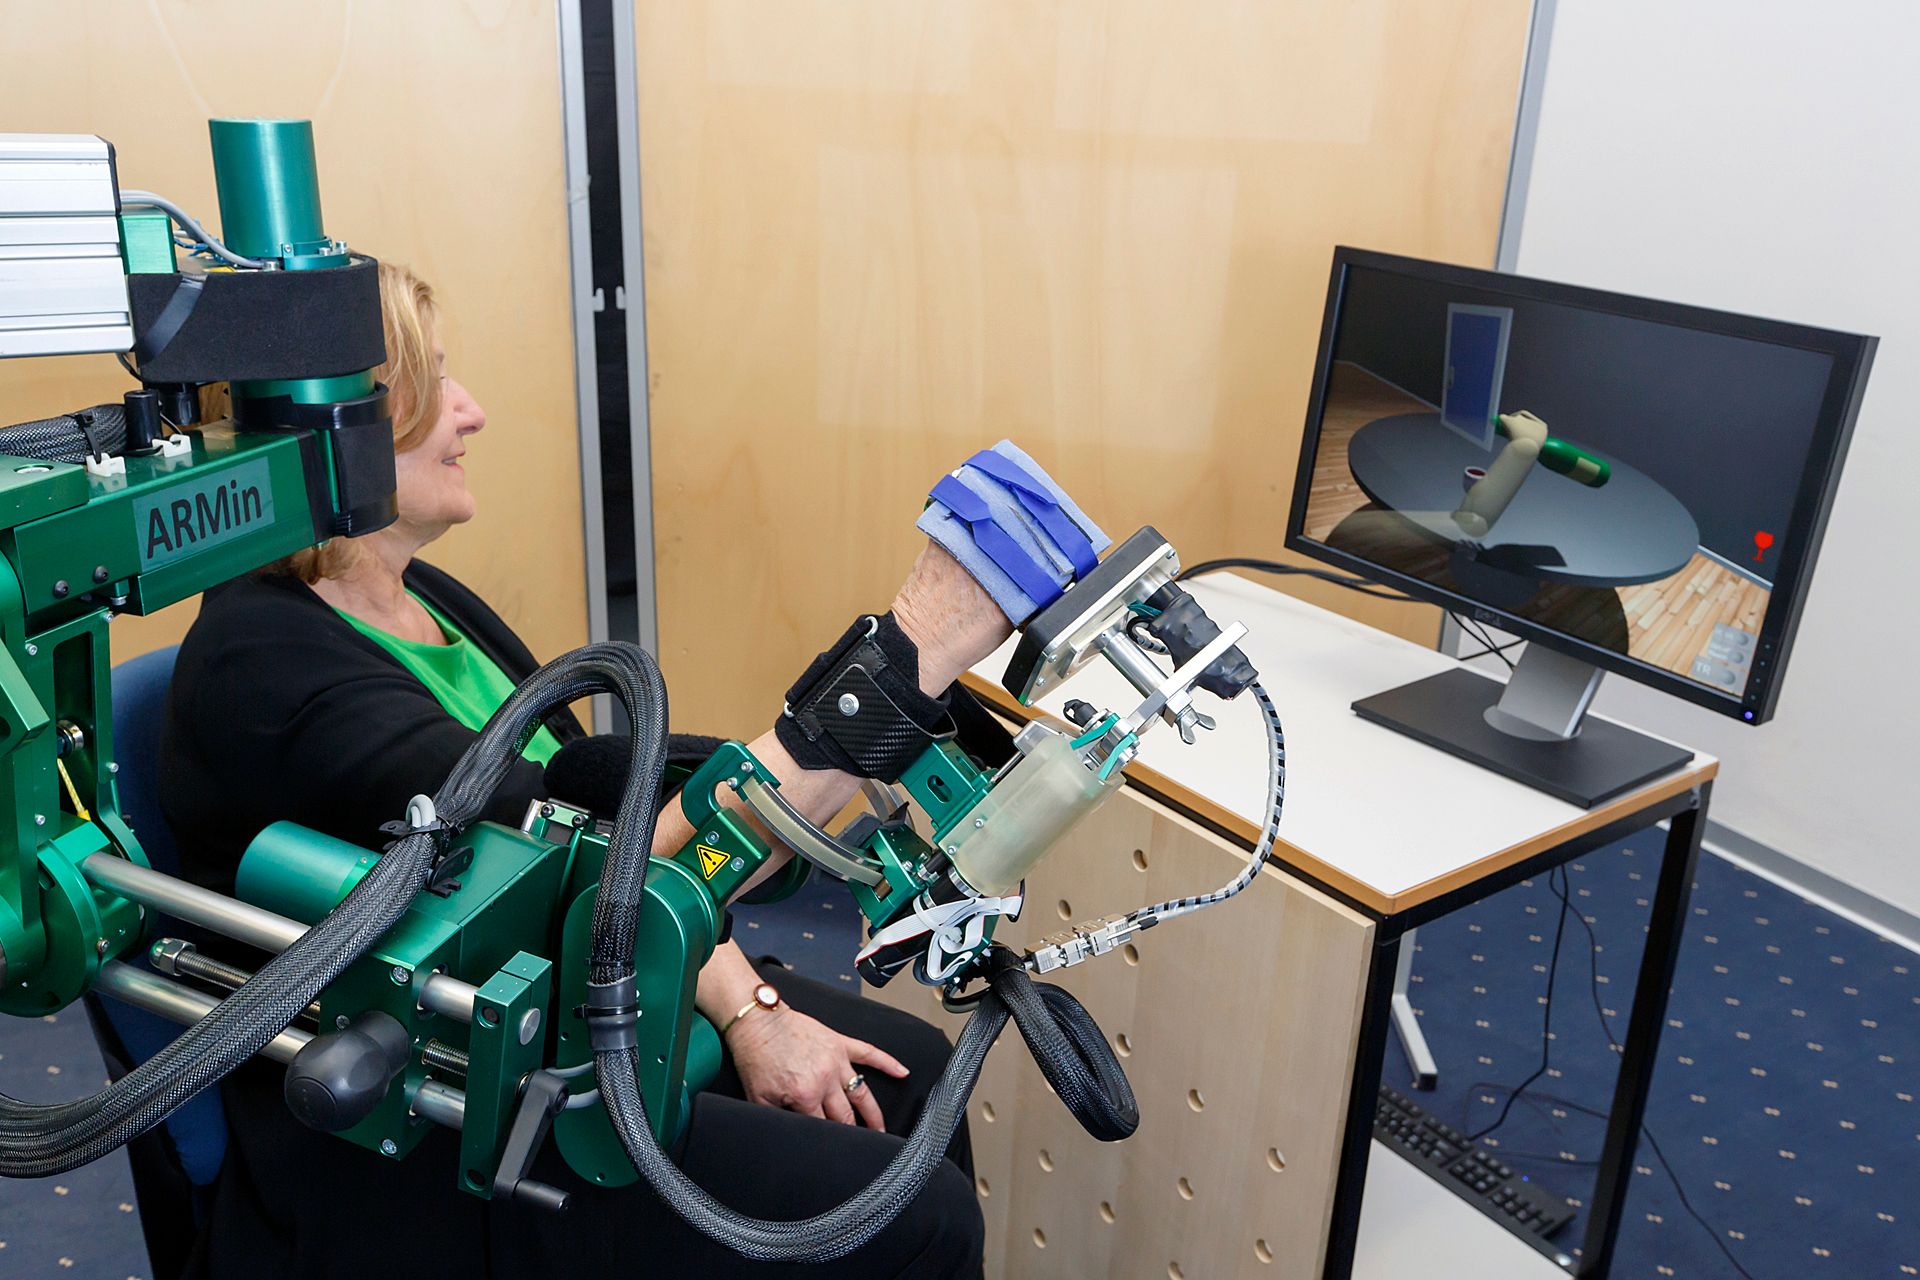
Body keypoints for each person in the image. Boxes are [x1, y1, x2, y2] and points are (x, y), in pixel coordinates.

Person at [159, 260, 1016, 1278]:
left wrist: (751, 1006)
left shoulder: (415, 596)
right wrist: (911, 649)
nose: (471, 411)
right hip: (441, 1113)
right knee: (916, 1215)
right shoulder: (264, 664)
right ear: (333, 435)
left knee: (919, 1079)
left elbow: (598, 830)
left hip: (563, 992)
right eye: (433, 385)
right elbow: (593, 867)